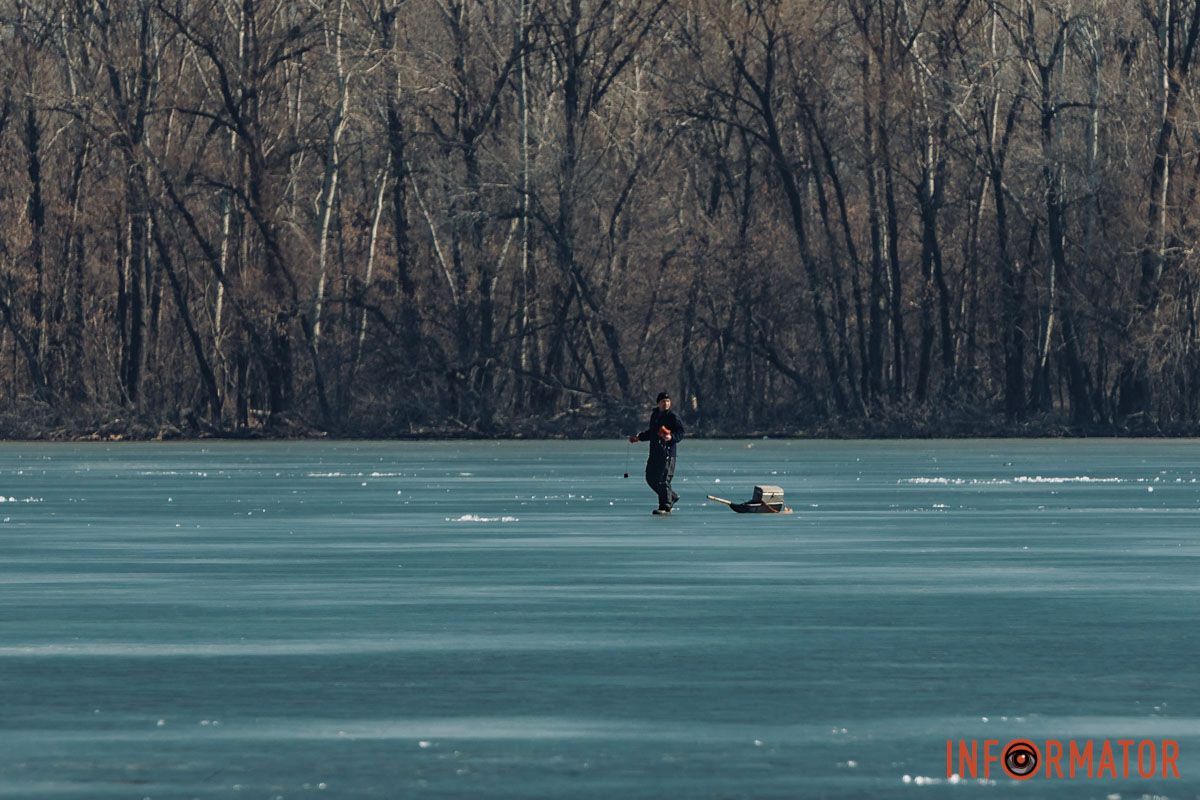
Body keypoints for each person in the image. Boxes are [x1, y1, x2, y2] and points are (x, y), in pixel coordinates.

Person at [628, 392, 686, 514]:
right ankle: (672, 496)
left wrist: (671, 437)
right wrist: (639, 437)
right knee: (650, 478)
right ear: (658, 403)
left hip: (668, 453)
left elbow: (681, 432)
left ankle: (665, 506)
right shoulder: (655, 416)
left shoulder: (672, 416)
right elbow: (652, 432)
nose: (666, 403)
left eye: (668, 401)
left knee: (663, 480)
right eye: (663, 401)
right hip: (654, 453)